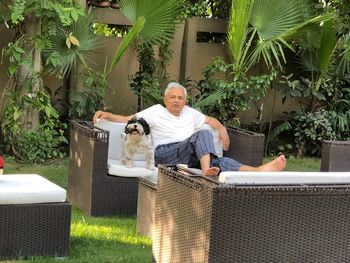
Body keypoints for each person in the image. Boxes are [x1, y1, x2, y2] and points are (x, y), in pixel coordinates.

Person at [93, 82, 286, 176]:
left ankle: (258, 170)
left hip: (190, 155)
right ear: (165, 99)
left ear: (185, 100)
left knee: (221, 160)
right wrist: (107, 115)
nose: (176, 101)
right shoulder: (155, 111)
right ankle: (206, 172)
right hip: (165, 153)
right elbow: (127, 119)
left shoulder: (190, 113)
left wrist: (223, 130)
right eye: (173, 97)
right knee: (201, 135)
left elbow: (211, 120)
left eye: (180, 98)